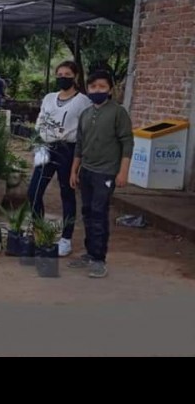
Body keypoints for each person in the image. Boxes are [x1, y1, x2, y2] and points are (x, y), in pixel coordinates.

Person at [69, 71, 134, 279]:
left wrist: (123, 172)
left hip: (106, 172)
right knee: (87, 212)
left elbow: (127, 143)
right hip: (86, 171)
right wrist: (74, 170)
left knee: (99, 213)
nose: (97, 90)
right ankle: (90, 253)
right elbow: (79, 144)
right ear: (87, 89)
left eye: (102, 87)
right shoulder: (86, 114)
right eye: (93, 87)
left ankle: (99, 259)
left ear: (110, 89)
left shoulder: (118, 113)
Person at [27, 61, 92, 257]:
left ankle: (66, 239)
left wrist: (80, 160)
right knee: (34, 191)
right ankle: (39, 230)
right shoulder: (49, 98)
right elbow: (40, 120)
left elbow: (86, 130)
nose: (63, 78)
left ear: (75, 77)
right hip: (46, 147)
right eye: (60, 74)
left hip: (68, 149)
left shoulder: (83, 101)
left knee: (67, 193)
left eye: (67, 74)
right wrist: (38, 143)